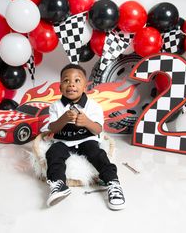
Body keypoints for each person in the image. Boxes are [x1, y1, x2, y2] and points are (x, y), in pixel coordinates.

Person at [42, 64, 125, 210]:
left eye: (77, 80)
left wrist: (86, 122)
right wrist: (63, 119)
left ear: (85, 87)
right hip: (63, 141)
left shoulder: (93, 106)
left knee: (97, 154)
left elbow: (98, 129)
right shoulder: (56, 106)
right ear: (60, 87)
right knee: (53, 153)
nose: (71, 84)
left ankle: (113, 183)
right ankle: (58, 184)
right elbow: (52, 129)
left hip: (87, 140)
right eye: (66, 81)